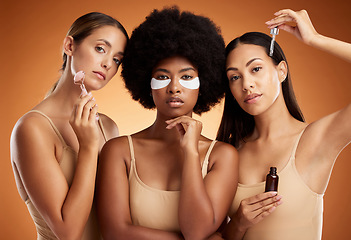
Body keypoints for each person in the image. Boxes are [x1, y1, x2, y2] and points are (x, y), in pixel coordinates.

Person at [96, 6, 238, 240]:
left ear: (204, 84)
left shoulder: (222, 156)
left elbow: (197, 231)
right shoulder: (119, 151)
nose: (174, 87)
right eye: (162, 77)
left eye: (187, 77)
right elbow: (115, 233)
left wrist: (191, 153)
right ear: (146, 84)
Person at [216, 9, 351, 240]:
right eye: (235, 77)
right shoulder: (228, 151)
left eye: (255, 69)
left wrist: (315, 39)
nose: (247, 84)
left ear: (281, 71)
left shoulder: (315, 140)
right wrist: (238, 223)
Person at [10, 12, 128, 240]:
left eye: (116, 60)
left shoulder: (107, 126)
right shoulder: (32, 128)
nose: (107, 64)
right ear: (69, 45)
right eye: (101, 49)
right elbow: (68, 232)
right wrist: (89, 147)